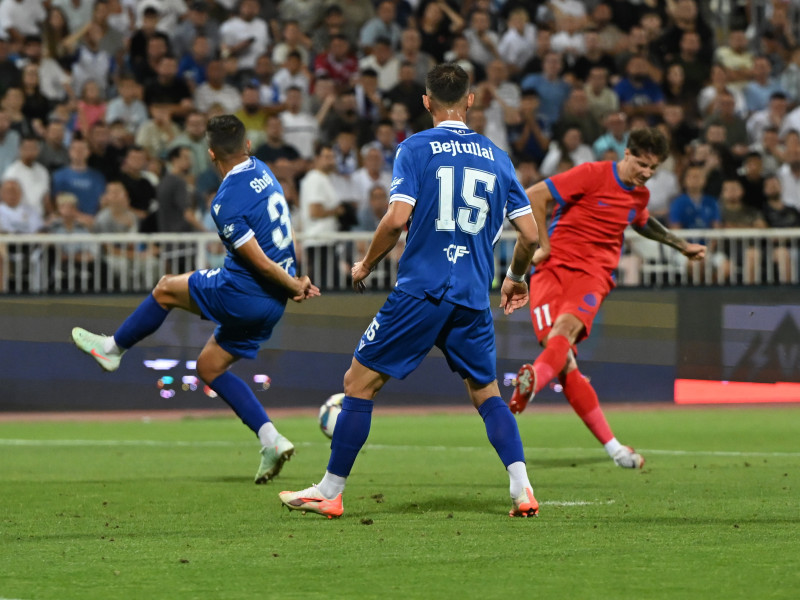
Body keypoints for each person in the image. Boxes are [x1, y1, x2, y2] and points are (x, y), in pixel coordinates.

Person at [279, 63, 541, 519]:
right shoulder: (499, 157)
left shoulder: (415, 148)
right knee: (487, 394)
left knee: (358, 383)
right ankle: (523, 490)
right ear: (471, 100)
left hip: (422, 291)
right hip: (473, 297)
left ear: (426, 102)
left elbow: (397, 218)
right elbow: (532, 236)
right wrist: (516, 277)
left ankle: (330, 490)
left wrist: (366, 262)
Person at [71, 115, 320, 484]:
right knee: (209, 368)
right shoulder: (264, 170)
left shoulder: (224, 203)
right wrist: (295, 280)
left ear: (210, 154)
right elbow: (284, 238)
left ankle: (112, 348)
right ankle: (272, 440)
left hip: (243, 293)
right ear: (247, 146)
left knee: (165, 288)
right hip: (272, 306)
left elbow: (259, 261)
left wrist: (291, 283)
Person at [509, 128, 706, 469]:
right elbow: (535, 194)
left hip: (593, 277)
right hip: (552, 270)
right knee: (565, 362)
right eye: (642, 164)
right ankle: (614, 448)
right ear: (626, 153)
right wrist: (543, 244)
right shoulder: (592, 173)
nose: (646, 173)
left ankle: (533, 381)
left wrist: (681, 245)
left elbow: (642, 223)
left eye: (653, 169)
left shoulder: (638, 197)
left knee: (565, 333)